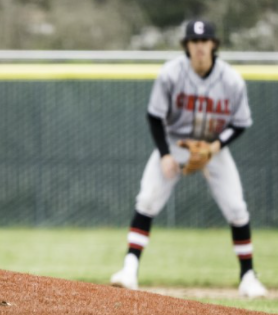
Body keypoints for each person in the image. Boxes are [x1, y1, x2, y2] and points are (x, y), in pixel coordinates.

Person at [109, 19, 267, 299]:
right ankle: (129, 270)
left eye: (204, 41)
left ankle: (248, 277)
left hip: (212, 147)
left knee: (237, 208)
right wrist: (165, 154)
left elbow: (240, 123)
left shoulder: (231, 80)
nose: (199, 47)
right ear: (186, 46)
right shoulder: (171, 74)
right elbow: (155, 117)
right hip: (175, 142)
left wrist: (216, 146)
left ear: (214, 44)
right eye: (194, 42)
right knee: (147, 199)